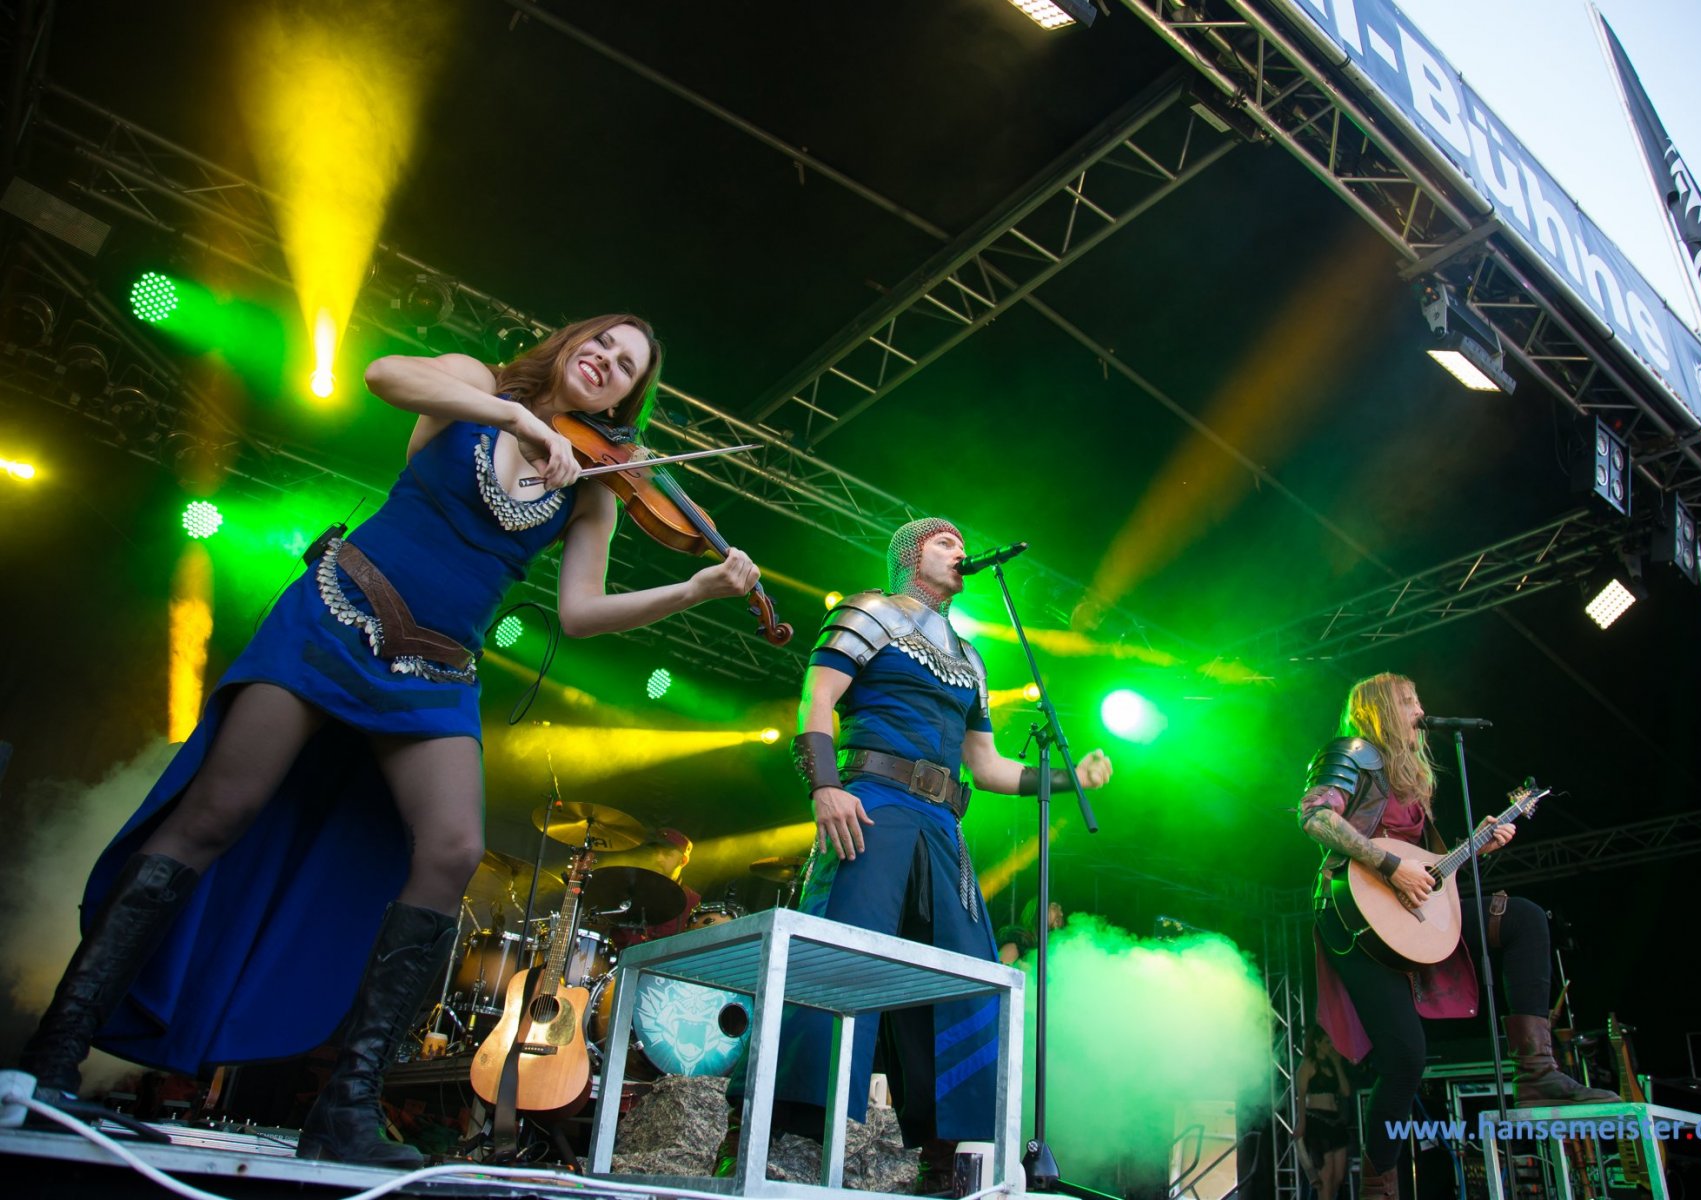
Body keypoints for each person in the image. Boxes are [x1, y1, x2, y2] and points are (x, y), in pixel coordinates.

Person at [18, 315, 761, 1167]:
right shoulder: (475, 383)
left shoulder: (594, 486)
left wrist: (695, 589)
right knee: (218, 811)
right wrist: (515, 417)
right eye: (599, 343)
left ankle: (346, 1104)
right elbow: (382, 375)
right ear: (568, 343)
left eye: (625, 366)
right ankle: (54, 1051)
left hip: (435, 671)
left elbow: (581, 614)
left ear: (629, 397)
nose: (605, 361)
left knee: (452, 850)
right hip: (337, 614)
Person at [744, 516, 1113, 1190]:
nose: (960, 551)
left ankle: (946, 1157)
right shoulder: (869, 612)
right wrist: (825, 786)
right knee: (838, 956)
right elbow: (816, 699)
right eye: (945, 542)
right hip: (872, 802)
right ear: (910, 554)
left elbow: (989, 767)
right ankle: (784, 1136)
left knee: (968, 977)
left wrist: (1070, 779)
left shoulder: (970, 659)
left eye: (962, 544)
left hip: (943, 825)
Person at [1298, 673, 1613, 1200]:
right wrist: (1389, 864)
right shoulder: (1351, 754)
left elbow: (1427, 870)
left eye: (1418, 698)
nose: (1420, 709)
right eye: (1408, 700)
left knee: (1524, 918)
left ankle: (1536, 1072)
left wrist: (1474, 848)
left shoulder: (1411, 779)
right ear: (1380, 709)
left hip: (1406, 911)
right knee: (1405, 1060)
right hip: (1352, 914)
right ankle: (1378, 1187)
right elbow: (1314, 818)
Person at [1295, 1027, 1351, 1200]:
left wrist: (1337, 1064)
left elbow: (1346, 1091)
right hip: (1317, 1120)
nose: (1330, 1046)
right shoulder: (1308, 1065)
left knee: (1339, 1175)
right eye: (1327, 1042)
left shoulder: (1331, 1065)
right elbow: (1301, 1096)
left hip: (1335, 1120)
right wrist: (1301, 1122)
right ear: (1317, 1043)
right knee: (1326, 1174)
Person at [995, 897, 1066, 965]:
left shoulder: (1050, 949)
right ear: (1038, 911)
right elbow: (999, 969)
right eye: (1054, 907)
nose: (1061, 914)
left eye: (1061, 910)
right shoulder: (1018, 940)